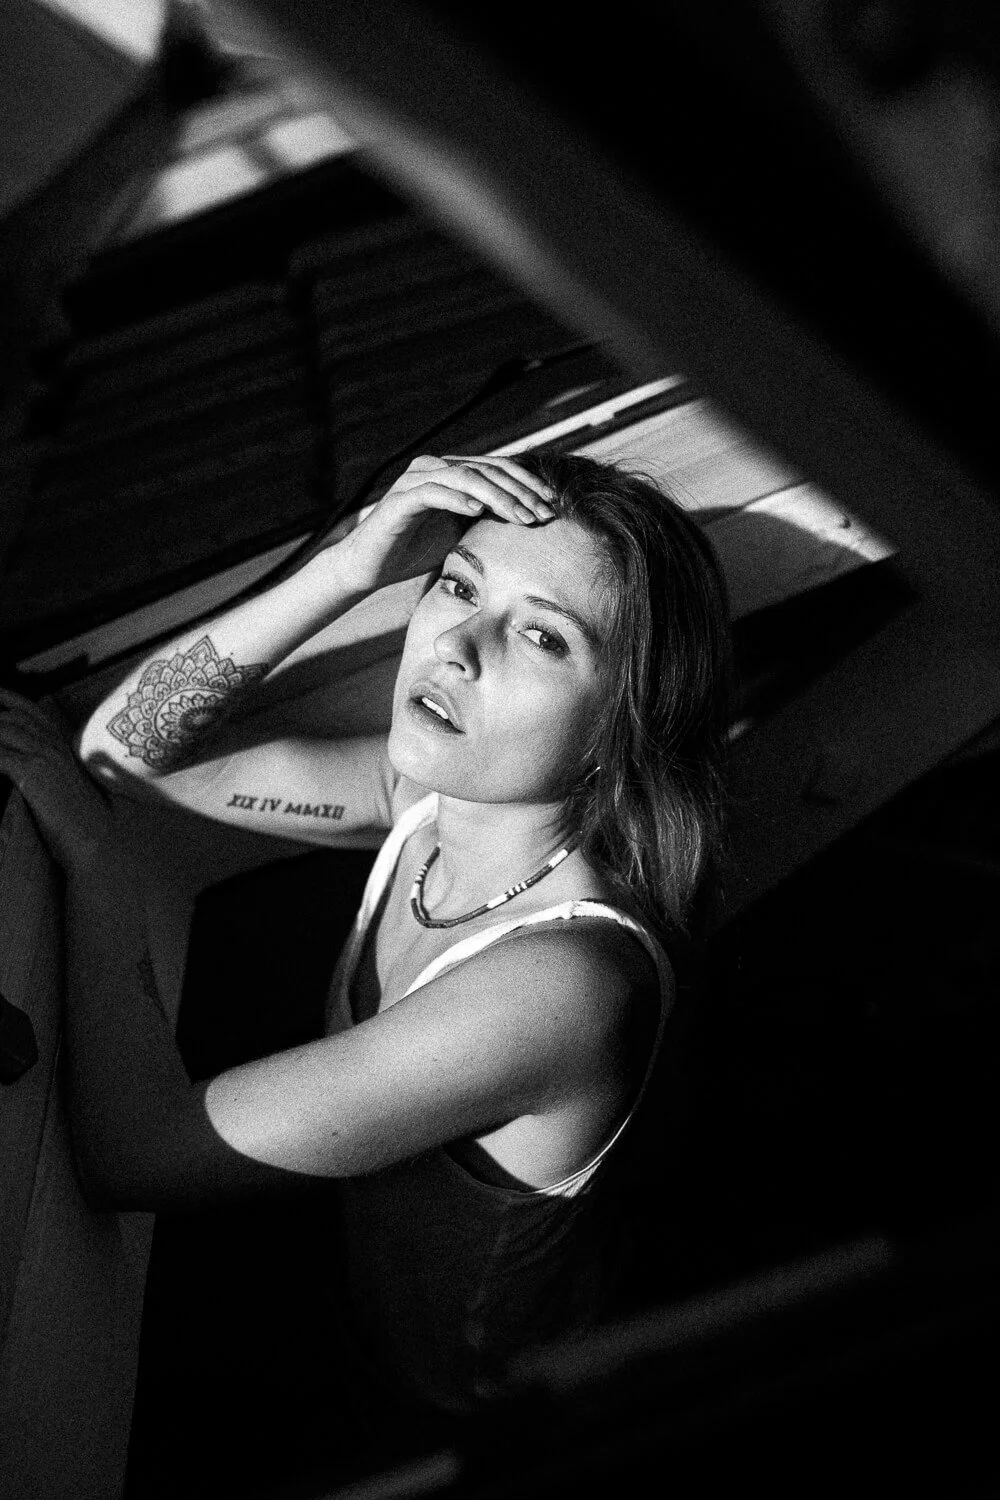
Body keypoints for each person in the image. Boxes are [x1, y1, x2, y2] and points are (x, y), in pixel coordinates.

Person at [0, 450, 731, 1471]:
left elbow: (135, 1155)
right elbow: (124, 752)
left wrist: (103, 870)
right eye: (457, 585)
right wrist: (349, 566)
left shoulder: (561, 986)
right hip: (360, 1330)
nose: (457, 647)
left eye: (541, 634)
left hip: (474, 1429)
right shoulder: (429, 808)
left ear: (623, 727)